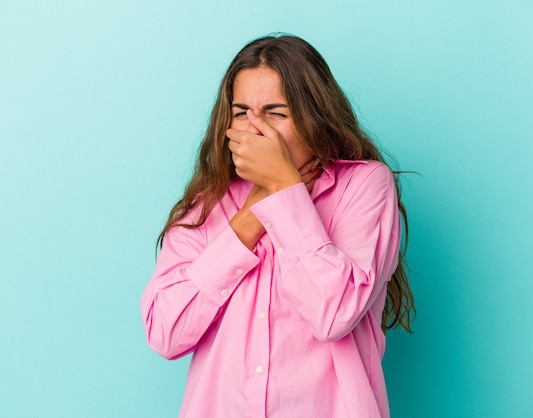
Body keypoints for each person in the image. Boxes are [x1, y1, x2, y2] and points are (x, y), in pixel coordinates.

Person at [141, 34, 414, 418]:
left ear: (313, 116)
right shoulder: (206, 204)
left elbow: (334, 313)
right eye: (241, 113)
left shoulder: (365, 186)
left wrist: (285, 190)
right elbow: (165, 332)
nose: (255, 130)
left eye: (276, 113)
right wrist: (253, 212)